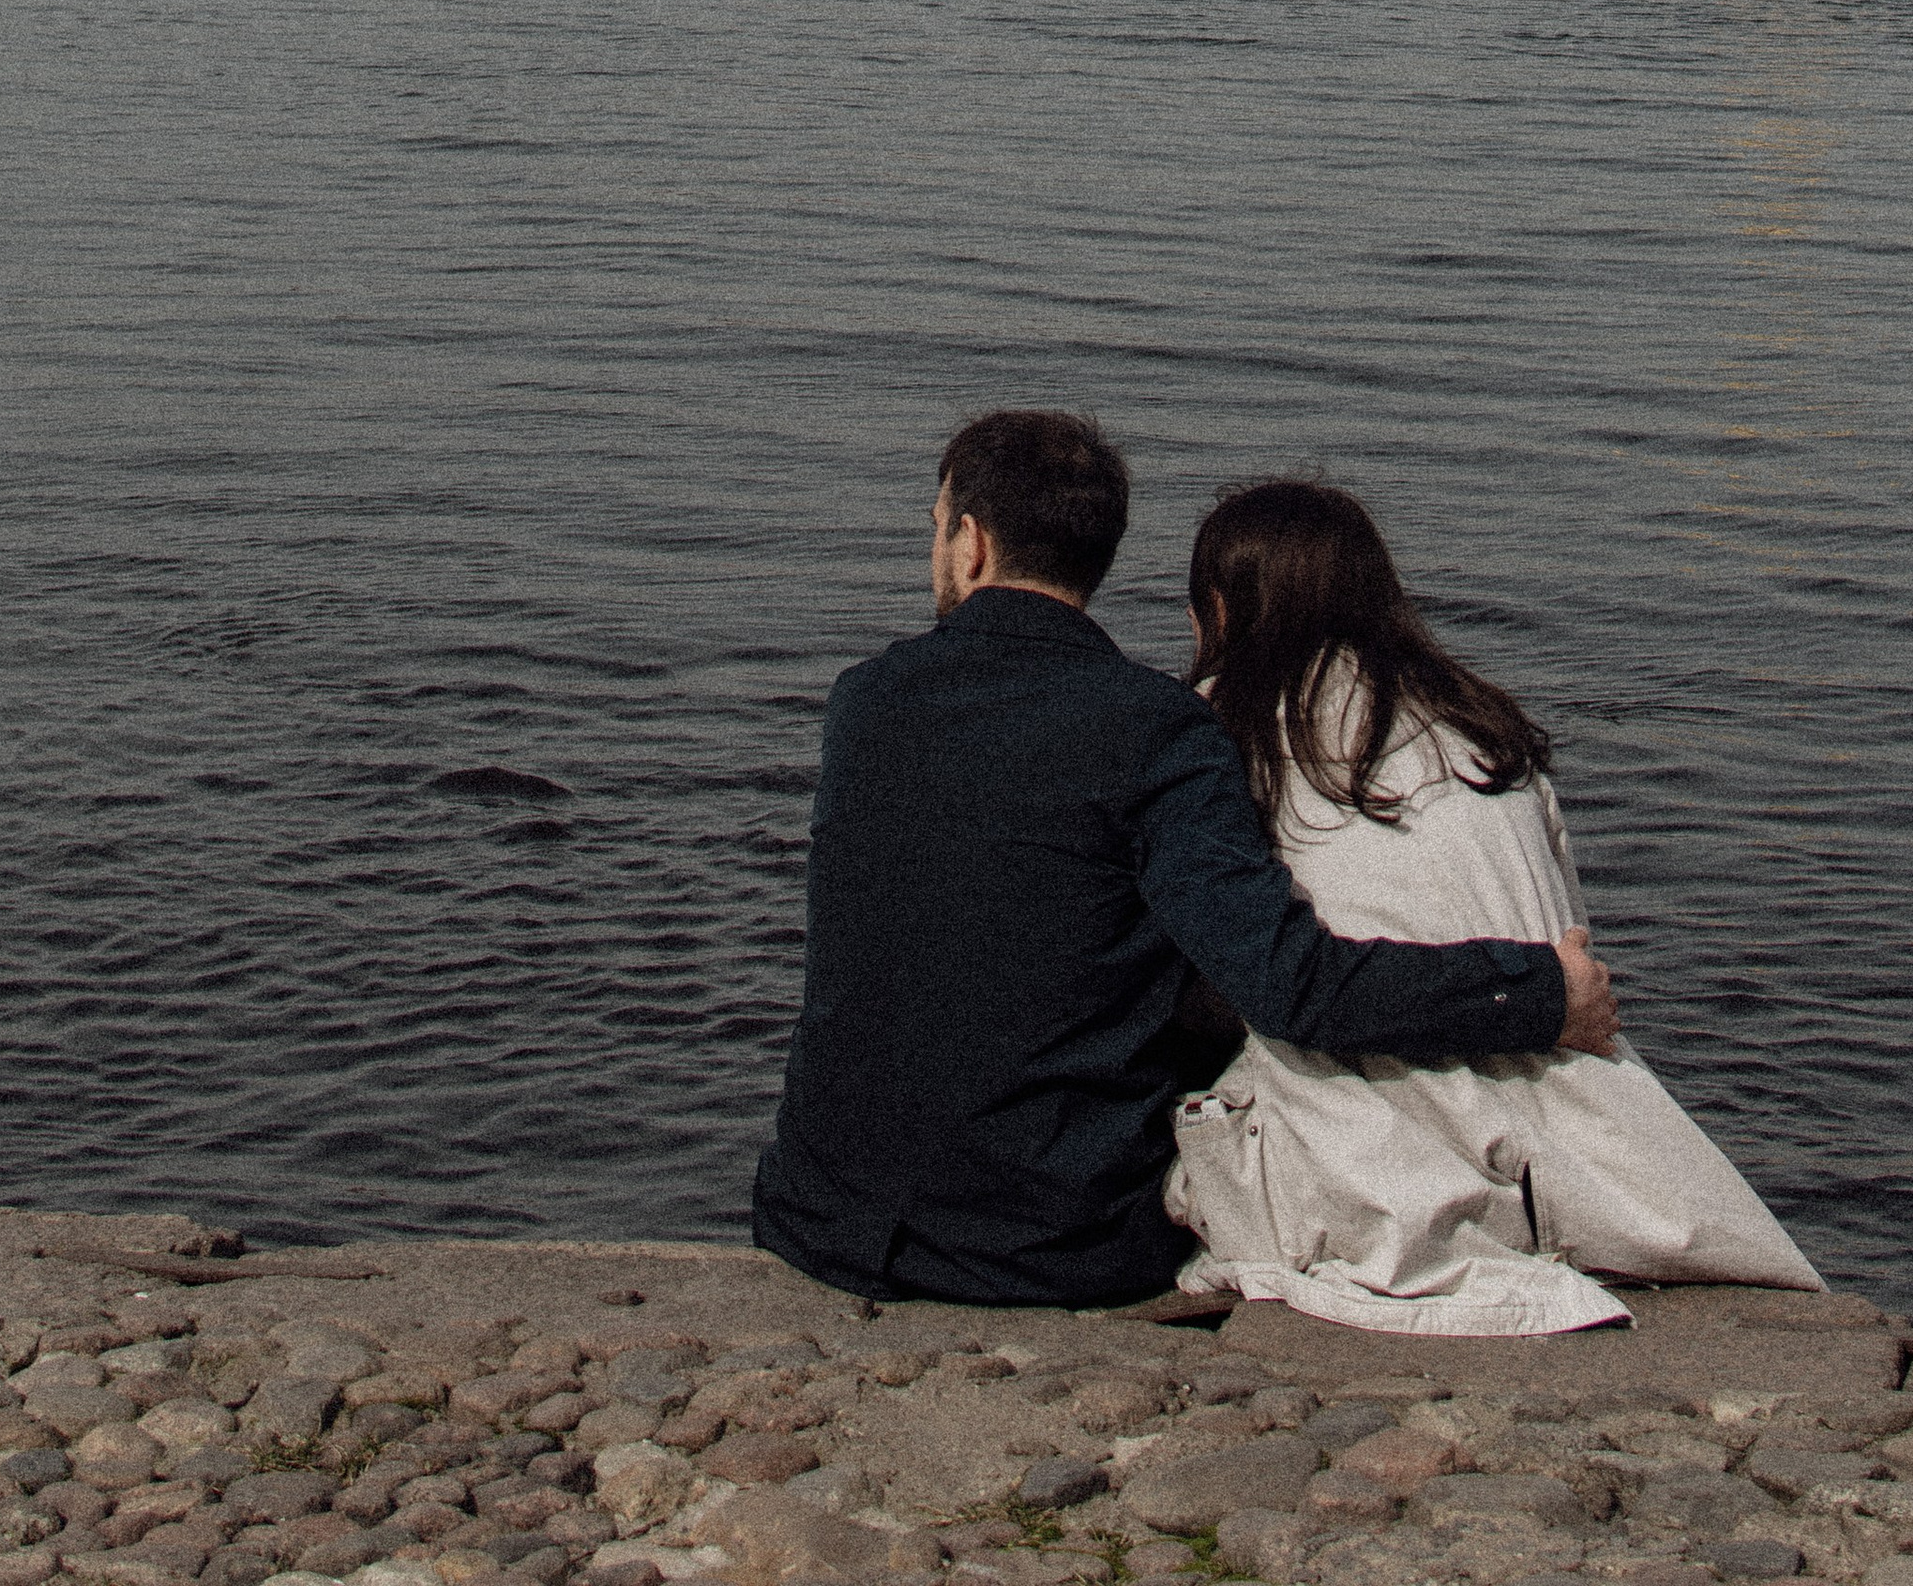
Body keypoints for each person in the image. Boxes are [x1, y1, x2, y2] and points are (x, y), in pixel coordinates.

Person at [751, 410, 1619, 1307]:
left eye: (935, 528)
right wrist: (1537, 991)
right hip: (1043, 1247)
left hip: (820, 1217)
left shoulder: (864, 703)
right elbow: (1290, 984)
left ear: (970, 543)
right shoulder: (1156, 729)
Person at [1165, 479, 1821, 1331]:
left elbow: (1250, 978)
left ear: (1215, 608)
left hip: (1384, 1144)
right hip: (1582, 1145)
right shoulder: (1483, 729)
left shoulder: (1222, 733)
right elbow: (1568, 938)